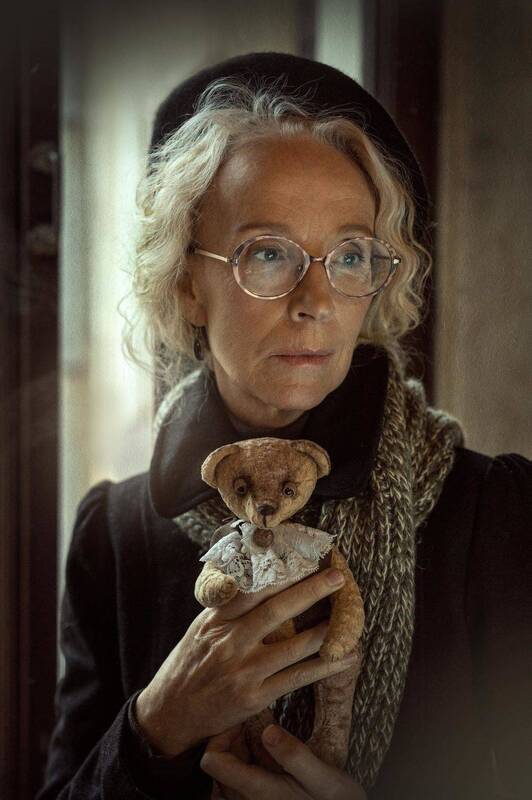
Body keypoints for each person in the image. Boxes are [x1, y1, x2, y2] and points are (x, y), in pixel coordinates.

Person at [37, 52, 531, 800]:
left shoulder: (493, 511)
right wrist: (156, 723)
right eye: (268, 252)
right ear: (187, 283)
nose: (316, 300)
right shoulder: (116, 534)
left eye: (350, 254)